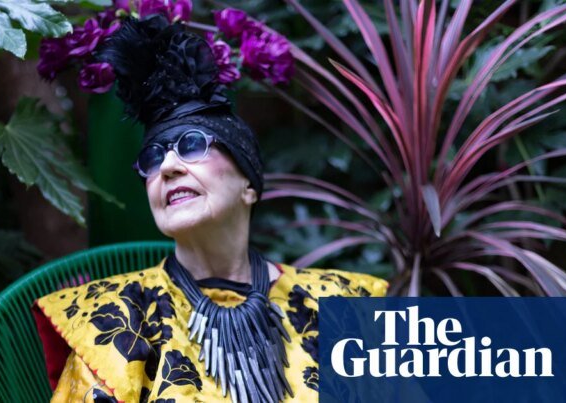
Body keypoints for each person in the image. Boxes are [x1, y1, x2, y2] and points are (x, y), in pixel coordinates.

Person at [33, 14, 388, 403]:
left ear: (248, 184)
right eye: (153, 157)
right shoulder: (113, 318)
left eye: (191, 145)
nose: (167, 167)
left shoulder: (340, 303)